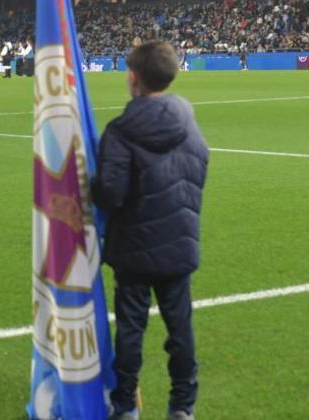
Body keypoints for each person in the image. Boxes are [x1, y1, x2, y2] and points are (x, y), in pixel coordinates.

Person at [92, 41, 209, 420]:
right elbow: (199, 166)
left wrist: (88, 184)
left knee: (130, 329)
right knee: (180, 330)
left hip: (134, 248)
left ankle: (125, 406)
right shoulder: (187, 119)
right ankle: (182, 407)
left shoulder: (121, 130)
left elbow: (110, 192)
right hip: (179, 240)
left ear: (135, 77)